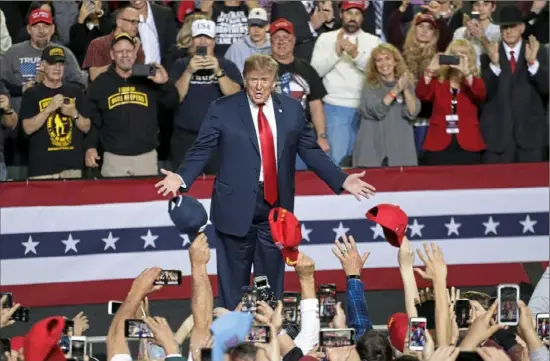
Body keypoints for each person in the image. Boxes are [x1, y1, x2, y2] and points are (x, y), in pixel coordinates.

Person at [155, 54, 376, 309]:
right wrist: (182, 177)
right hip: (234, 208)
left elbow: (310, 150)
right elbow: (202, 149)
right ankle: (235, 340)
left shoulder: (291, 110)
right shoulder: (223, 108)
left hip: (275, 210)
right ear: (244, 81)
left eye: (264, 80)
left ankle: (269, 335)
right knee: (234, 289)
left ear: (274, 82)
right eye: (253, 80)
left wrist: (342, 180)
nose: (259, 86)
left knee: (269, 287)